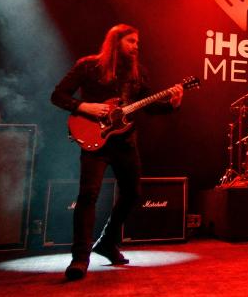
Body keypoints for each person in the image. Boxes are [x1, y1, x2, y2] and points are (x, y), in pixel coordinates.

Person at [51, 24, 183, 281]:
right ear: (116, 41)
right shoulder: (89, 66)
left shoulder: (138, 74)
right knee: (88, 196)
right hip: (95, 141)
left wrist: (173, 104)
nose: (136, 46)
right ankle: (80, 258)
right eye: (131, 41)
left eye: (137, 42)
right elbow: (57, 95)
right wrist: (84, 106)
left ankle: (107, 242)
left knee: (133, 193)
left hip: (125, 143)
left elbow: (150, 108)